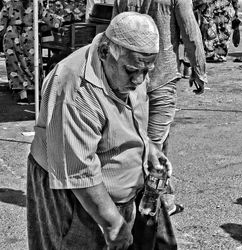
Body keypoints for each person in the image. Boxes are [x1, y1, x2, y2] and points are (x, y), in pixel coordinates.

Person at [27, 12, 173, 250]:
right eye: (132, 71)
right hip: (75, 192)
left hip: (118, 190)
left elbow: (128, 116)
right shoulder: (73, 87)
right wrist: (112, 224)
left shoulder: (129, 63)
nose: (139, 80)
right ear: (105, 52)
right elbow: (78, 170)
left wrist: (148, 147)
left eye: (146, 72)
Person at [113, 0, 208, 217]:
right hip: (161, 75)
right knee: (153, 145)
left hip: (130, 79)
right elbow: (190, 34)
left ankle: (165, 199)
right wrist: (199, 70)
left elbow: (113, 34)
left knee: (144, 141)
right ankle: (145, 208)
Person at [0, 0, 63, 105]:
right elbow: (50, 19)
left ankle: (22, 96)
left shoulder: (9, 4)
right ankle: (37, 94)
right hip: (29, 35)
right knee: (34, 63)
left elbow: (1, 25)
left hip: (12, 36)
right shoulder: (35, 3)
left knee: (15, 65)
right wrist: (59, 22)